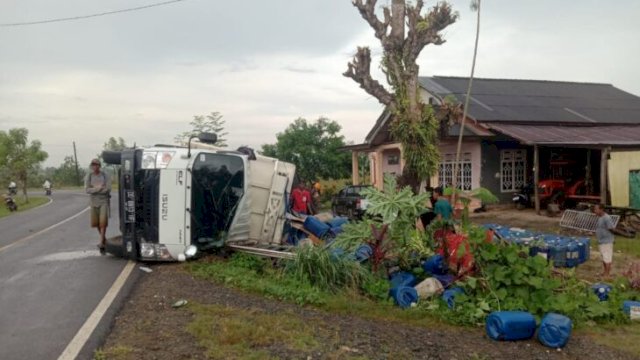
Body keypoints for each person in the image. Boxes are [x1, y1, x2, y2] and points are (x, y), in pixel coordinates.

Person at [85, 159, 111, 255]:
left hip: (103, 201)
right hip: (93, 202)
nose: (95, 166)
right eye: (93, 165)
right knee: (96, 223)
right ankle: (104, 240)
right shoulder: (89, 176)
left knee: (103, 221)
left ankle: (101, 243)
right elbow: (87, 190)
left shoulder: (105, 175)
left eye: (96, 165)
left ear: (99, 166)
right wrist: (98, 188)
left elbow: (108, 189)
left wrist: (97, 189)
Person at [593, 203, 615, 278]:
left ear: (601, 209)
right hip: (601, 241)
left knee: (607, 258)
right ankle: (605, 272)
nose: (594, 211)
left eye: (596, 209)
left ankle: (607, 275)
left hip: (607, 242)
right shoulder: (600, 217)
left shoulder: (607, 218)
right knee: (604, 258)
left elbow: (611, 228)